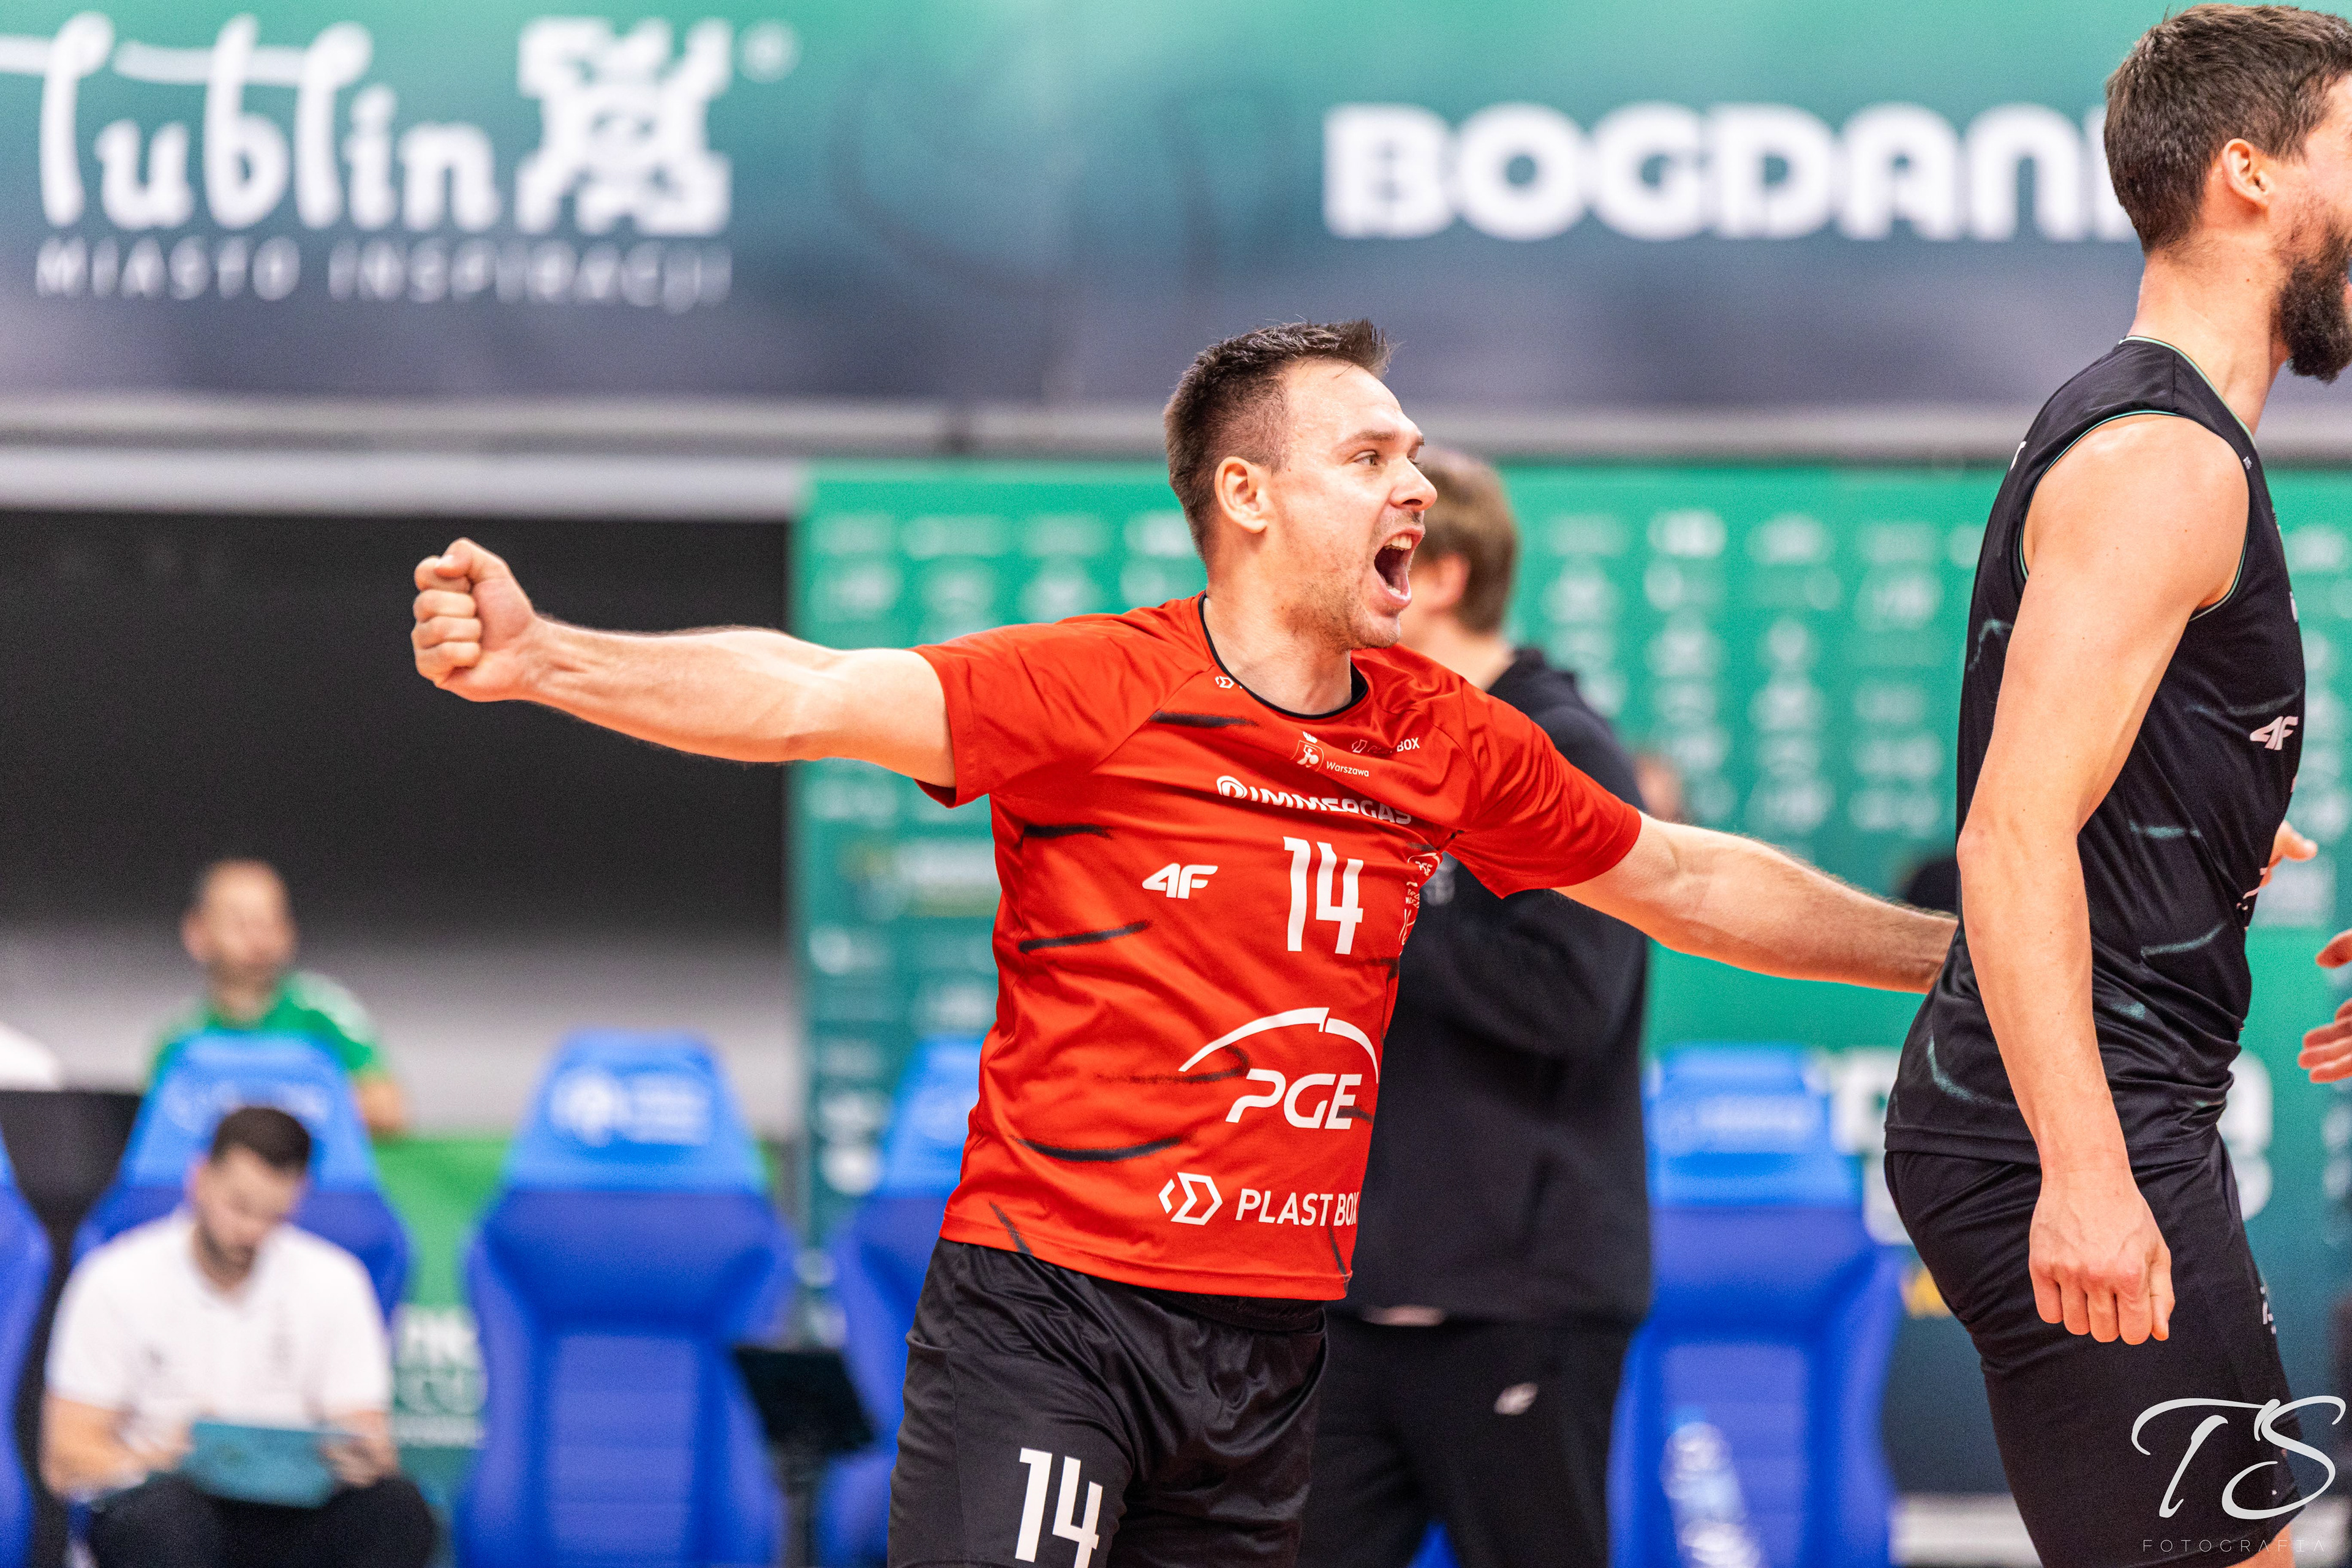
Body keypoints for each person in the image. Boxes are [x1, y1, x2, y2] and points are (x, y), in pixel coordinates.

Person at [410, 319, 1954, 1567]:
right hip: (1053, 1312)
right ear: (1248, 496)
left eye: (1415, 455)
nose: (1414, 486)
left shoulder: (1443, 734)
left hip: (1272, 1348)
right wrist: (551, 660)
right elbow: (809, 692)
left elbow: (1683, 879)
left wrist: (1969, 956)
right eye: (1369, 456)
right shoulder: (1095, 686)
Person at [1881, 9, 2352, 1565]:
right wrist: (2085, 1174)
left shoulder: (2164, 432)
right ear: (2249, 173)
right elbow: (2011, 830)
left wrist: (2208, 819)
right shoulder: (2165, 460)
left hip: (2100, 1108)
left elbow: (2087, 783)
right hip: (2067, 1128)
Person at [1295, 449, 1649, 1568]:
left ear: (1439, 576)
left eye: (1358, 560)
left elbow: (1575, 995)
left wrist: (1378, 912)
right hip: (1352, 1297)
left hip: (1517, 1304)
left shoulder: (1557, 747)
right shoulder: (1357, 750)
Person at [42, 1106, 435, 1568]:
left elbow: (363, 1430)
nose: (251, 1232)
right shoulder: (115, 1279)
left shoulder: (336, 1281)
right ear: (200, 1179)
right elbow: (65, 1459)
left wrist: (360, 1457)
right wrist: (158, 1459)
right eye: (240, 1207)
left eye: (273, 1215)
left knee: (396, 1509)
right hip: (163, 1509)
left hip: (292, 1516)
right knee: (168, 1516)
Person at [162, 860, 408, 1137]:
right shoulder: (182, 1036)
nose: (258, 941)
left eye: (269, 923)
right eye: (240, 924)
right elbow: (161, 1130)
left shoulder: (324, 1012)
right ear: (197, 932)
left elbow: (387, 1109)